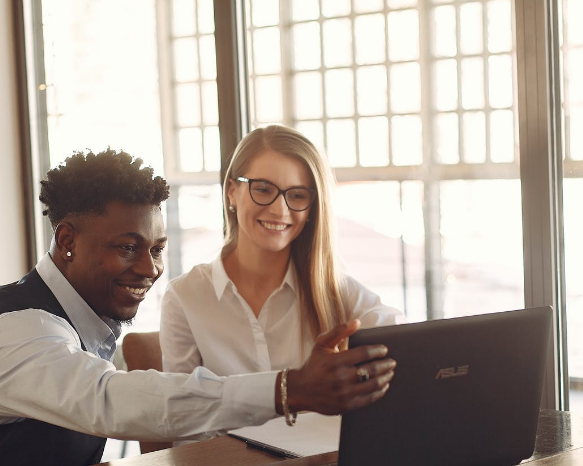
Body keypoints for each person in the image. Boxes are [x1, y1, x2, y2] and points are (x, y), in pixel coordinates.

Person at [0, 148, 395, 466]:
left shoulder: (79, 324)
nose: (148, 269)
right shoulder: (15, 332)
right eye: (127, 247)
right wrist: (290, 388)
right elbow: (111, 401)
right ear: (67, 240)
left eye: (157, 249)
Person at [160, 124, 405, 395]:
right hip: (224, 441)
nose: (279, 210)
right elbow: (181, 419)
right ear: (232, 191)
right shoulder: (184, 297)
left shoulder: (336, 292)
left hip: (317, 439)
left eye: (297, 195)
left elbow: (410, 346)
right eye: (263, 189)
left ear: (312, 207)